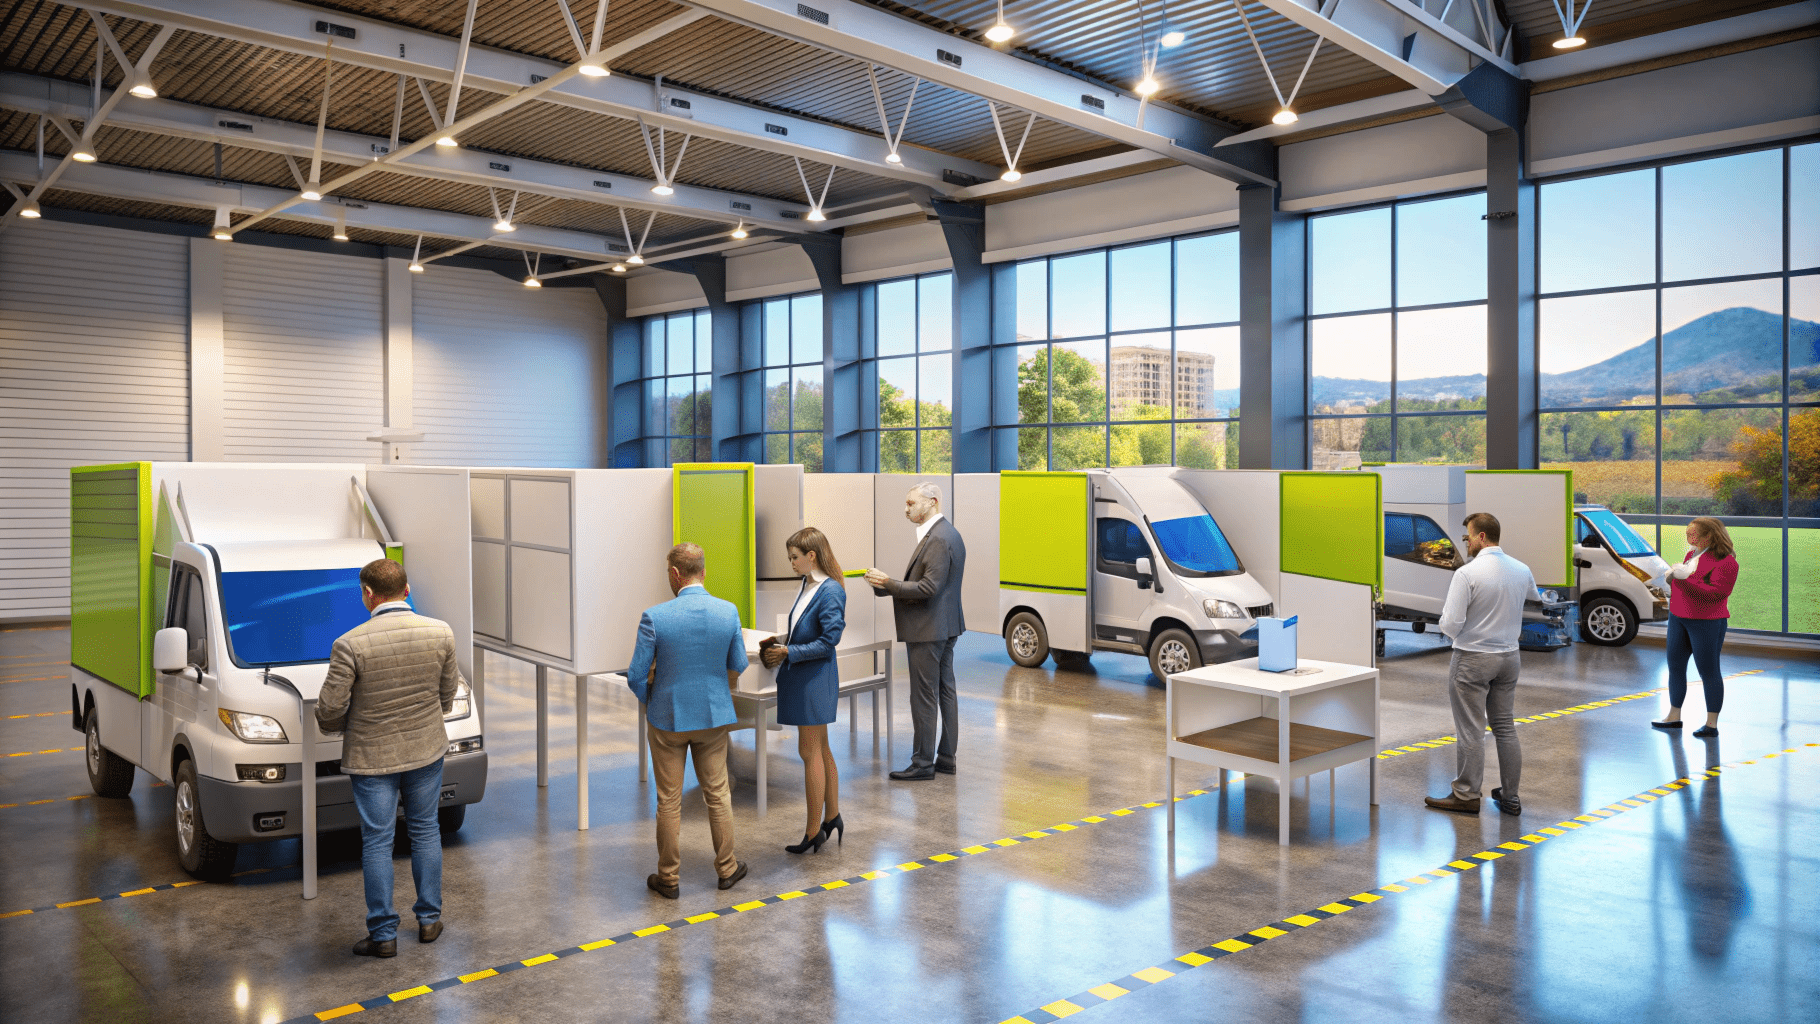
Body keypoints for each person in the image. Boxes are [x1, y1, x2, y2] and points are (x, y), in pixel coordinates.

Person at [316, 559, 462, 959]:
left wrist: (354, 721)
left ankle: (383, 935)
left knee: (377, 842)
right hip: (425, 750)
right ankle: (429, 921)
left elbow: (329, 712)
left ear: (367, 593)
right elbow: (446, 695)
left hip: (372, 758)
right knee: (426, 831)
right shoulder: (441, 633)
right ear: (407, 589)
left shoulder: (350, 644)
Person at [625, 543, 749, 899]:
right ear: (703, 572)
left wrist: (654, 697)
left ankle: (669, 878)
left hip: (668, 719)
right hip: (713, 716)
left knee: (669, 799)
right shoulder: (728, 612)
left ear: (676, 574)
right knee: (718, 794)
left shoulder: (654, 616)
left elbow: (635, 675)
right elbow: (737, 664)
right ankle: (727, 869)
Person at [1424, 512, 1541, 818]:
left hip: (1473, 659)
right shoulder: (1521, 569)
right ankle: (1511, 796)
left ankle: (1466, 794)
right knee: (1504, 726)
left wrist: (1456, 633)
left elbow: (1451, 622)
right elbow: (1533, 597)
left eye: (1468, 537)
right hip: (1509, 658)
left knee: (1471, 730)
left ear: (1482, 537)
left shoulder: (1467, 574)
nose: (1467, 543)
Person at [866, 483, 967, 781]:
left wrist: (889, 584)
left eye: (911, 503)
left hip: (929, 629)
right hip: (945, 625)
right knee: (945, 690)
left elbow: (928, 588)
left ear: (932, 502)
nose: (906, 508)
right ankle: (946, 757)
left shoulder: (937, 538)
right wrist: (886, 588)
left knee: (924, 696)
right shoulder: (949, 533)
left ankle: (923, 763)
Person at [760, 527, 847, 853]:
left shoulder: (830, 591)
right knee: (821, 750)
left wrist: (788, 653)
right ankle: (832, 817)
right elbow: (806, 631)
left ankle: (813, 833)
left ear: (812, 556)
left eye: (795, 557)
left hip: (814, 680)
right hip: (806, 678)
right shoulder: (807, 584)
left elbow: (829, 641)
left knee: (809, 752)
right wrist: (783, 643)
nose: (791, 563)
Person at [1652, 517, 1739, 738]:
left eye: (1692, 534)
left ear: (1708, 536)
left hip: (1706, 621)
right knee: (1676, 667)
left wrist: (1681, 579)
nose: (1688, 538)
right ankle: (1674, 715)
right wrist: (1674, 579)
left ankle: (1711, 724)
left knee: (1709, 671)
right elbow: (1687, 582)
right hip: (1679, 617)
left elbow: (1716, 594)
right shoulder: (1692, 555)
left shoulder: (1727, 562)